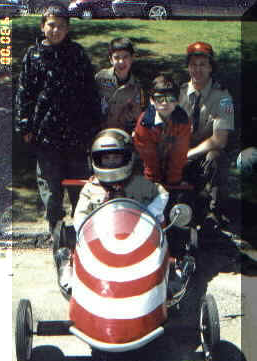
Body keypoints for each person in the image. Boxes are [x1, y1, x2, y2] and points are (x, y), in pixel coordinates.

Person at [15, 2, 101, 237]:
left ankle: (84, 230)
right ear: (43, 26)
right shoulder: (32, 56)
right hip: (45, 135)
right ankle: (56, 231)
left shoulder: (77, 53)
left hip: (76, 134)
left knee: (80, 187)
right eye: (51, 25)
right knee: (51, 189)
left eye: (61, 26)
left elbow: (90, 92)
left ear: (67, 29)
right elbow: (24, 93)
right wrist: (25, 125)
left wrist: (93, 126)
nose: (56, 30)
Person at [58, 128, 169, 294]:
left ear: (127, 158)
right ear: (96, 160)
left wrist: (149, 213)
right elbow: (80, 214)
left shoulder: (139, 183)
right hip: (100, 240)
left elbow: (162, 194)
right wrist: (84, 227)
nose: (111, 162)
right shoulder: (91, 187)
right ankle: (72, 273)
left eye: (116, 157)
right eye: (106, 158)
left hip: (136, 239)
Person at [179, 41, 234, 227]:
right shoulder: (179, 94)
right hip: (180, 155)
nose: (197, 69)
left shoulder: (222, 96)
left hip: (203, 156)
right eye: (193, 64)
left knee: (216, 157)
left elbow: (220, 139)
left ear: (211, 67)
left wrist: (189, 154)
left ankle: (214, 211)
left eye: (203, 65)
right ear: (188, 67)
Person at [133, 73, 191, 189]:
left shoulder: (183, 121)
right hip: (147, 166)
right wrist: (154, 183)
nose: (165, 103)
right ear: (152, 101)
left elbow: (179, 154)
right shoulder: (145, 123)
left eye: (170, 98)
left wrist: (173, 183)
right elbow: (148, 158)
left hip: (173, 165)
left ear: (177, 101)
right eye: (160, 98)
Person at [95, 37, 146, 134]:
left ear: (132, 58)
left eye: (125, 57)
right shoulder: (100, 78)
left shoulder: (137, 87)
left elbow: (139, 116)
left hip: (123, 134)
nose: (121, 62)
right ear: (110, 60)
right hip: (100, 132)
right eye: (117, 57)